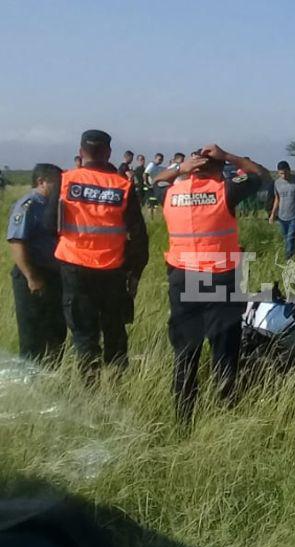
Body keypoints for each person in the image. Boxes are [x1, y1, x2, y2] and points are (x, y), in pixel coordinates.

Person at [154, 144, 269, 422]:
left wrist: (180, 169)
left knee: (185, 352)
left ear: (193, 169)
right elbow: (263, 175)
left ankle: (183, 418)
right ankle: (224, 414)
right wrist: (228, 155)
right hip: (219, 278)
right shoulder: (224, 190)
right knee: (224, 350)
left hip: (182, 279)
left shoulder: (171, 193)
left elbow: (155, 181)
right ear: (217, 169)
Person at [43, 130, 149, 377]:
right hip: (112, 268)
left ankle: (89, 387)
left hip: (74, 267)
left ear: (81, 152)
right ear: (108, 153)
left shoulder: (66, 180)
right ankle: (115, 383)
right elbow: (139, 236)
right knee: (114, 328)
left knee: (84, 333)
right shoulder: (122, 185)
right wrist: (134, 272)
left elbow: (49, 224)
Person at [7, 164, 67, 361]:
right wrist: (31, 277)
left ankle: (52, 373)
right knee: (33, 333)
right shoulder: (28, 205)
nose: (59, 188)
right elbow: (17, 242)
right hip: (32, 274)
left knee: (56, 329)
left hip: (53, 274)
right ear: (41, 182)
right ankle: (31, 379)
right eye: (55, 183)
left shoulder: (55, 205)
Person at [268, 161, 295, 260]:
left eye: (285, 173)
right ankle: (294, 255)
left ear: (289, 170)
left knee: (291, 237)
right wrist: (273, 214)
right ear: (278, 173)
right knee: (286, 238)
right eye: (281, 173)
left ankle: (288, 259)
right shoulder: (277, 183)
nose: (283, 176)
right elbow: (277, 199)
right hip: (282, 215)